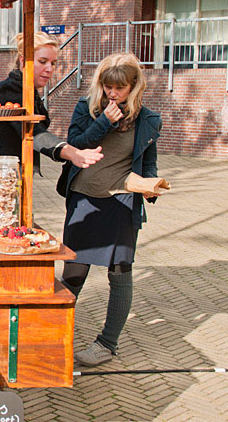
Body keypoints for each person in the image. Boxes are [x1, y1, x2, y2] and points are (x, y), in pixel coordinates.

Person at [59, 52, 162, 367]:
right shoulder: (85, 108)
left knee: (120, 273)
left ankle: (106, 344)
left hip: (121, 203)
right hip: (84, 200)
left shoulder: (148, 119)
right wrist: (105, 120)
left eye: (120, 88)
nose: (112, 94)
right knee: (73, 275)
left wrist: (151, 188)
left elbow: (148, 161)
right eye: (108, 87)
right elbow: (75, 145)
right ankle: (51, 336)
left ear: (133, 86)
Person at [0, 32, 104, 217]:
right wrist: (73, 153)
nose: (49, 69)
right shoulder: (11, 90)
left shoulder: (26, 89)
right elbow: (34, 133)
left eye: (53, 63)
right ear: (24, 62)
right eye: (43, 61)